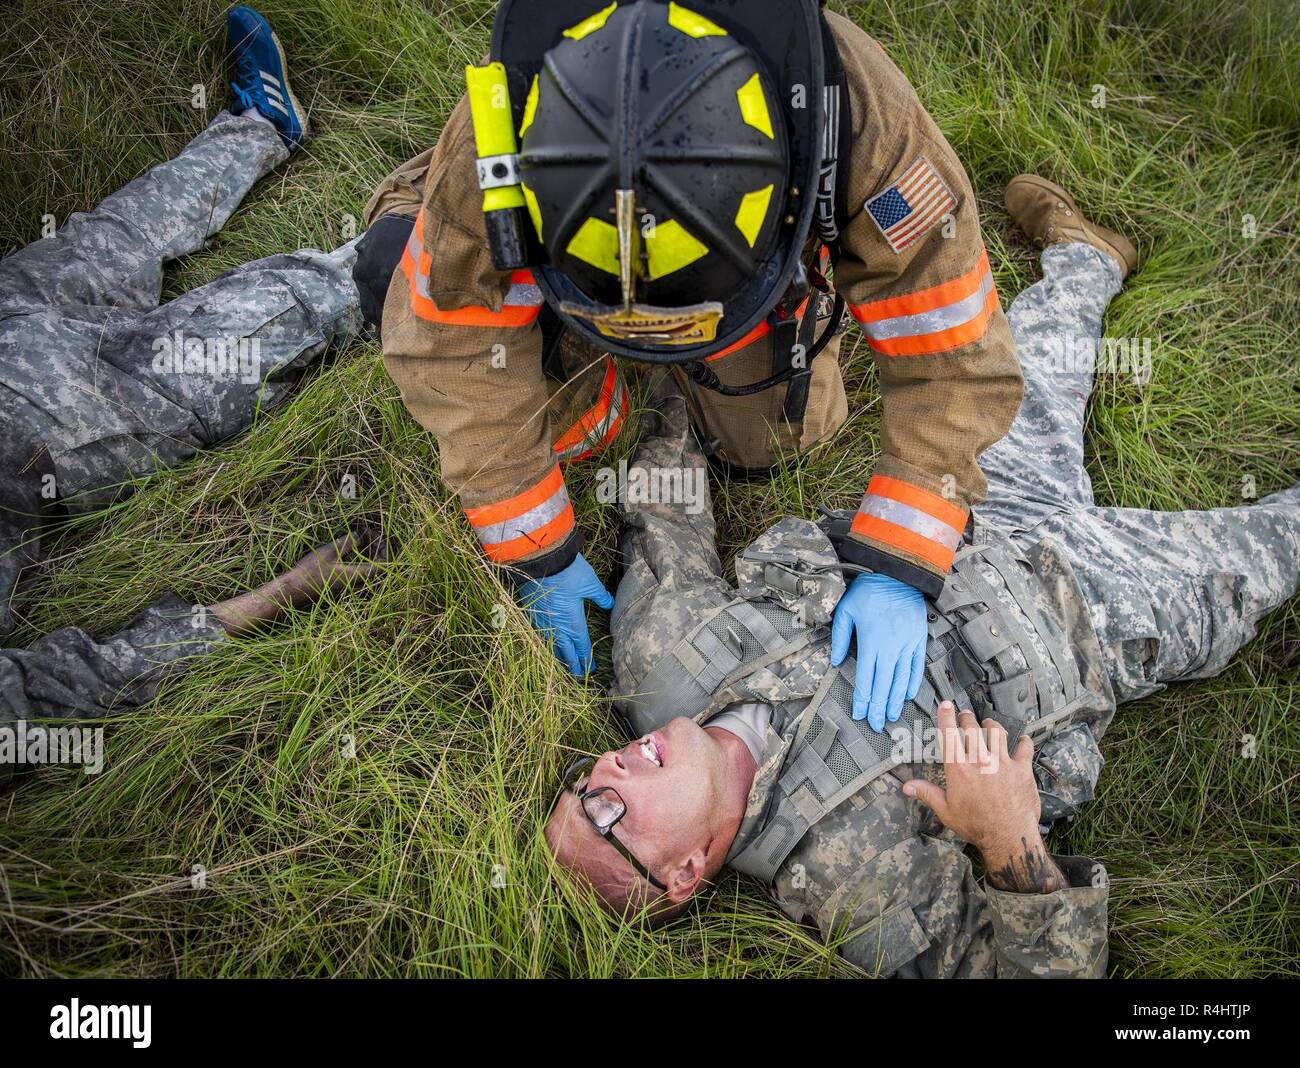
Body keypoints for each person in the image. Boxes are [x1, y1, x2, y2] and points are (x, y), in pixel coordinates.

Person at [542, 177, 1299, 977]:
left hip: (953, 505)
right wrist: (1010, 844)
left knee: (1017, 358)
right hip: (1099, 611)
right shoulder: (850, 878)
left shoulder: (661, 662)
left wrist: (651, 360)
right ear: (685, 874)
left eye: (583, 782)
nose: (606, 772)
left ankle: (1086, 256)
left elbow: (668, 513)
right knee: (1278, 543)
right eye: (605, 812)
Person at [358, 0, 1025, 726]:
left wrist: (898, 559)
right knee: (560, 416)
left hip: (749, 285)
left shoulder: (863, 122)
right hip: (565, 250)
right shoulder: (500, 134)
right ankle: (412, 204)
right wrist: (537, 549)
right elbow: (451, 341)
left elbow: (952, 350)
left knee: (780, 443)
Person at [0, 5, 371, 767]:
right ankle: (447, 246)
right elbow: (55, 698)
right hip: (51, 430)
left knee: (111, 237)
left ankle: (262, 126)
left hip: (10, 312)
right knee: (290, 310)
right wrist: (280, 594)